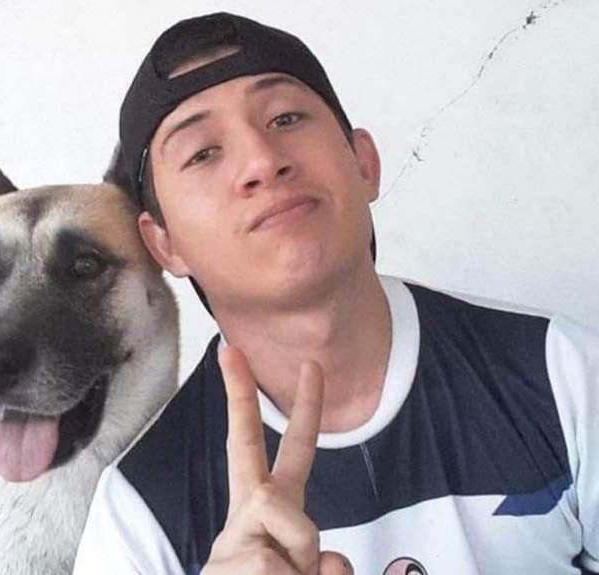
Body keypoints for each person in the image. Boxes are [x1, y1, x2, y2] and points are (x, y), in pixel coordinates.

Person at [74, 12, 599, 575]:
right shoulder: (138, 518)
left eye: (285, 117)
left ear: (364, 162)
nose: (261, 161)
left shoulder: (561, 374)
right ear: (164, 243)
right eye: (203, 152)